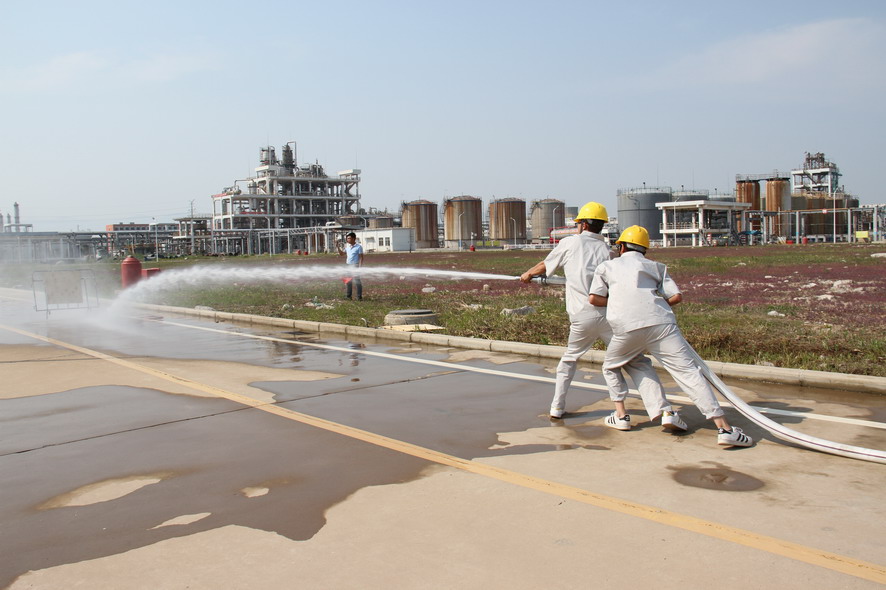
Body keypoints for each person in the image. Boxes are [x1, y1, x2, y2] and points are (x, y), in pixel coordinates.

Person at [589, 225, 753, 447]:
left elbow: (594, 299)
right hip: (662, 324)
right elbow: (676, 297)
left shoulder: (607, 267)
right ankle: (724, 428)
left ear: (621, 247)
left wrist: (620, 301)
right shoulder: (657, 267)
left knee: (611, 366)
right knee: (688, 373)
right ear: (645, 249)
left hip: (626, 327)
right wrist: (653, 304)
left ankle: (621, 415)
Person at [520, 202, 681, 427]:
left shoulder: (570, 243)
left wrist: (528, 274)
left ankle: (557, 407)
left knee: (570, 359)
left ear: (583, 224)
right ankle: (662, 410)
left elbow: (545, 265)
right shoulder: (606, 250)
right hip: (609, 314)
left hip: (582, 316)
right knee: (635, 361)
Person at [337, 232, 364, 300]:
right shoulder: (347, 247)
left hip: (355, 265)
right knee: (348, 281)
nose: (347, 240)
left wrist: (360, 267)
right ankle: (348, 296)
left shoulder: (358, 247)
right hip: (348, 265)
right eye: (347, 238)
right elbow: (342, 254)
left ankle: (359, 297)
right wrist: (338, 247)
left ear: (354, 238)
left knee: (357, 281)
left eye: (349, 238)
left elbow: (361, 257)